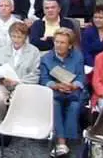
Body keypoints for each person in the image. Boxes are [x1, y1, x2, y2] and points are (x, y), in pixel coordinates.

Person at [39, 27, 85, 157]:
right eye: (56, 42)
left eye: (62, 42)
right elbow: (44, 79)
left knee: (74, 105)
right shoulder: (46, 58)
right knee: (55, 104)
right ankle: (61, 142)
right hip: (55, 92)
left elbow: (81, 77)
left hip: (73, 92)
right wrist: (56, 86)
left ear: (70, 45)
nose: (58, 45)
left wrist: (73, 85)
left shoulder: (78, 56)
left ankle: (67, 139)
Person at [0, 22, 40, 122]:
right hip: (3, 84)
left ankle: (15, 123)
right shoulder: (2, 50)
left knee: (18, 98)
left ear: (25, 37)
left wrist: (19, 82)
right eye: (13, 36)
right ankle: (1, 122)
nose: (16, 40)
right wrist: (1, 79)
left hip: (23, 85)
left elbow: (35, 73)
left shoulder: (34, 51)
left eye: (19, 37)